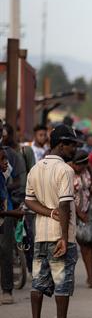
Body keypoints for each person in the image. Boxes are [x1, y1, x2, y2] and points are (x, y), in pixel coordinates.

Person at [24, 125, 87, 318]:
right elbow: (65, 204)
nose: (74, 150)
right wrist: (63, 236)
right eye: (72, 145)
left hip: (40, 234)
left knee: (38, 281)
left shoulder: (35, 168)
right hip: (61, 236)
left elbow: (29, 200)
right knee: (62, 281)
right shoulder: (65, 170)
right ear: (62, 144)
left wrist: (47, 213)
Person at [0, 124, 27, 304]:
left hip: (5, 211)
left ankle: (7, 289)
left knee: (5, 251)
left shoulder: (9, 154)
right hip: (6, 211)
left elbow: (17, 179)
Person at [70, 150, 92, 288]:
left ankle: (91, 277)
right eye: (77, 165)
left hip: (87, 209)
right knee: (73, 245)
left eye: (81, 165)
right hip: (71, 213)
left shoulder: (87, 169)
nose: (78, 168)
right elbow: (66, 194)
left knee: (88, 244)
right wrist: (77, 212)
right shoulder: (67, 171)